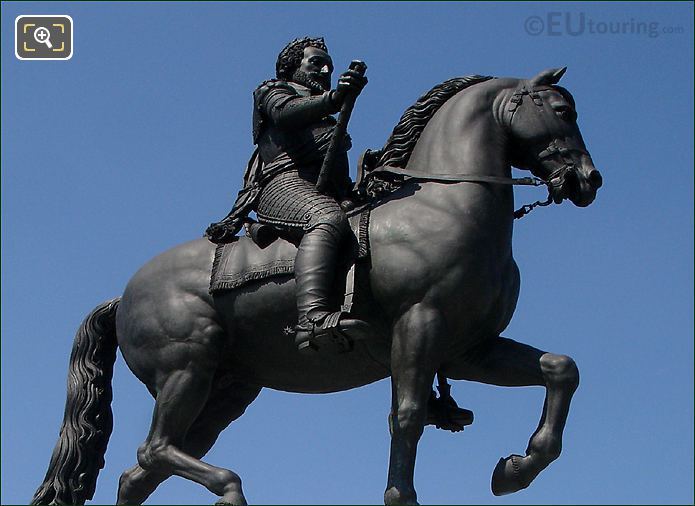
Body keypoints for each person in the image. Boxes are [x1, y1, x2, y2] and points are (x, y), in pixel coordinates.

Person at [206, 37, 371, 351]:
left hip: (327, 189)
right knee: (326, 219)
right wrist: (335, 98)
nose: (324, 70)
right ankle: (312, 320)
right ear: (292, 66)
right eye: (316, 63)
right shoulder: (272, 90)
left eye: (330, 68)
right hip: (283, 184)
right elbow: (284, 114)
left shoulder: (323, 112)